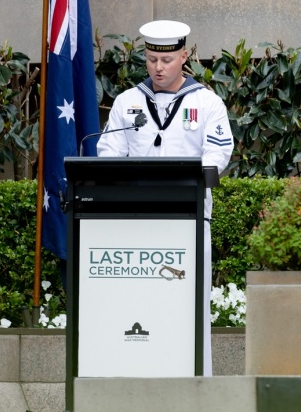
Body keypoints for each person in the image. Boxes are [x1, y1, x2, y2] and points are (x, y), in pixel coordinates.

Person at [96, 19, 232, 376]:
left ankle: (194, 381)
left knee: (188, 303)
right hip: (135, 219)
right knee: (138, 304)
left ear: (183, 56)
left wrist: (195, 174)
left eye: (166, 60)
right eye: (152, 58)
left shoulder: (206, 102)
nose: (158, 67)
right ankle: (137, 375)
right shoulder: (127, 102)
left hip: (188, 217)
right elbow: (109, 151)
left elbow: (218, 153)